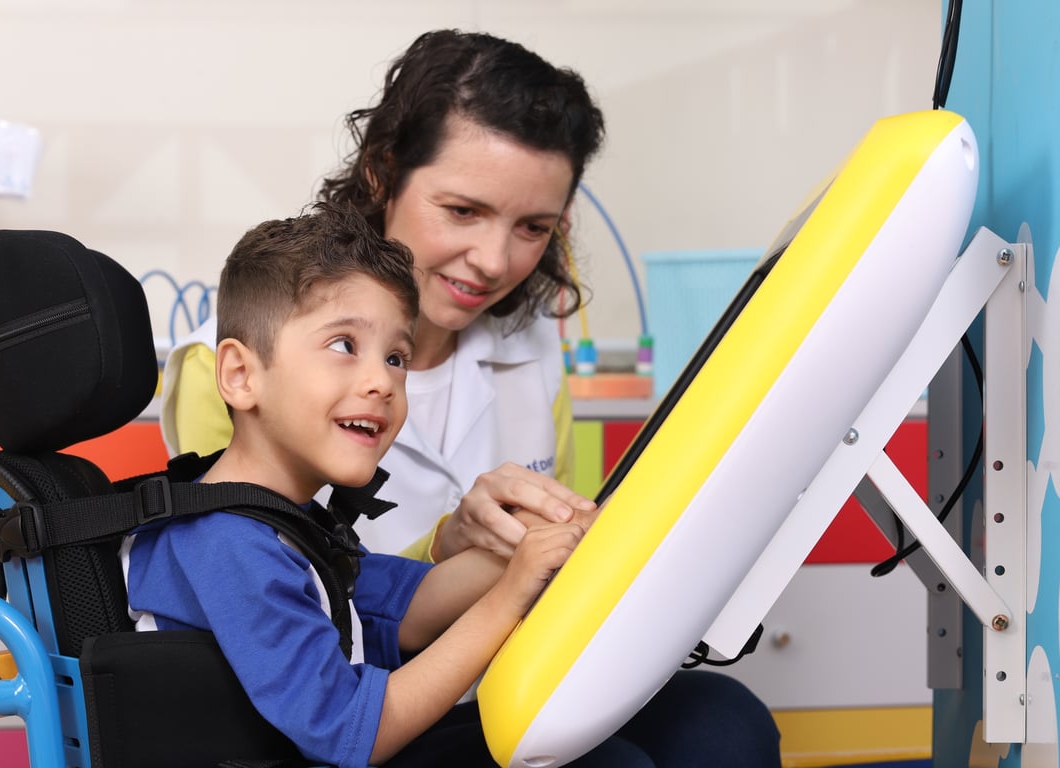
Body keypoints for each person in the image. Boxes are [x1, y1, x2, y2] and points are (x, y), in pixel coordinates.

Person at [160, 30, 782, 765]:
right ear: (382, 173)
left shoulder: (534, 348)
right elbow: (320, 615)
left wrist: (575, 546)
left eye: (532, 228)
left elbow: (385, 586)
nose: (494, 262)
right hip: (355, 715)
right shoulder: (229, 369)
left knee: (724, 722)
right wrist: (461, 548)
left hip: (507, 681)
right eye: (462, 211)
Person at [124, 203, 742, 768]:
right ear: (239, 374)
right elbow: (347, 730)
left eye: (396, 357)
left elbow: (408, 613)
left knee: (712, 717)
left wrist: (544, 541)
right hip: (337, 748)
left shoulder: (286, 523)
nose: (383, 382)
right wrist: (510, 595)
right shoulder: (227, 544)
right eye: (345, 345)